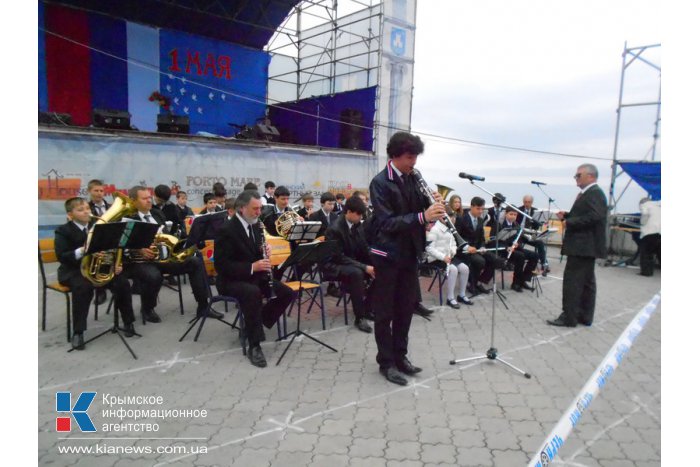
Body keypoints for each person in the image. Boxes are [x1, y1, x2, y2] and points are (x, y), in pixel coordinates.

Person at [365, 131, 445, 386]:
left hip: (410, 252)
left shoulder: (414, 177)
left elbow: (422, 209)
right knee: (385, 311)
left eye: (415, 157)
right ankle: (385, 362)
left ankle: (401, 356)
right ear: (395, 155)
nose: (414, 163)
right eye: (410, 157)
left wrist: (434, 205)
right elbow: (386, 222)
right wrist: (423, 217)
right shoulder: (380, 182)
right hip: (387, 254)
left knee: (405, 310)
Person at [214, 190, 296, 367]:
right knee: (253, 293)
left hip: (253, 276)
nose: (259, 212)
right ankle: (255, 345)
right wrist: (252, 266)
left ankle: (254, 326)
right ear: (242, 208)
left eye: (260, 208)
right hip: (231, 280)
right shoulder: (225, 230)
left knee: (287, 293)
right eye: (255, 209)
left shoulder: (255, 225)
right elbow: (222, 266)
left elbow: (252, 253)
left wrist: (263, 252)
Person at [123, 186, 214, 324]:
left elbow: (167, 236)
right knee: (154, 276)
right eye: (144, 198)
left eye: (149, 197)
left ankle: (203, 306)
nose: (149, 201)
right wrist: (139, 249)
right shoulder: (128, 218)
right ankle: (147, 309)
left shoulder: (157, 214)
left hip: (164, 258)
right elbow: (122, 246)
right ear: (133, 201)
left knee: (194, 262)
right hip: (140, 261)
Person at [55, 198, 136, 350]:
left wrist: (117, 265)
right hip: (73, 270)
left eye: (87, 208)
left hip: (100, 268)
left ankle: (128, 322)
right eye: (80, 210)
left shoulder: (99, 226)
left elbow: (113, 249)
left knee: (122, 283)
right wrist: (82, 250)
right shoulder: (63, 231)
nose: (86, 211)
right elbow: (62, 256)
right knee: (83, 288)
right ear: (70, 215)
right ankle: (78, 332)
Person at [547, 164, 608, 327]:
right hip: (586, 247)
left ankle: (569, 316)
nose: (576, 178)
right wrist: (567, 216)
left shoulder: (594, 193)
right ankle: (584, 315)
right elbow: (587, 214)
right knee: (587, 283)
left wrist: (570, 222)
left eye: (578, 175)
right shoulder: (589, 193)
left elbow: (595, 216)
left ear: (591, 176)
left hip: (583, 246)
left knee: (572, 282)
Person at [322, 195, 375, 333]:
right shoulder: (334, 229)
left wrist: (374, 261)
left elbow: (364, 247)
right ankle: (360, 317)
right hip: (333, 265)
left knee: (379, 268)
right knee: (357, 273)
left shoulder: (357, 225)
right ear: (349, 212)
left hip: (350, 261)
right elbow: (338, 257)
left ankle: (368, 309)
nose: (360, 218)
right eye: (358, 214)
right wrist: (364, 267)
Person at [425, 208, 472, 308]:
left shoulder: (451, 229)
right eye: (449, 217)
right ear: (441, 218)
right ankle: (450, 298)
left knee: (465, 268)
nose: (452, 219)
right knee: (453, 269)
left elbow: (454, 244)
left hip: (449, 257)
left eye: (453, 217)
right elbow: (429, 248)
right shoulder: (435, 229)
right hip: (436, 258)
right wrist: (443, 257)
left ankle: (462, 295)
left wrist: (453, 251)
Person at [456, 196, 501, 295]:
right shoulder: (461, 218)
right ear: (471, 206)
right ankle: (471, 284)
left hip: (477, 249)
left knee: (495, 259)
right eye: (478, 208)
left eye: (482, 209)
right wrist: (467, 247)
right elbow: (457, 237)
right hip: (465, 250)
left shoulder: (480, 220)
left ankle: (480, 282)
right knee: (480, 261)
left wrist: (482, 246)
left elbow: (482, 238)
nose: (480, 211)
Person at [499, 206, 538, 292]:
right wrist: (507, 247)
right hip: (504, 250)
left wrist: (517, 244)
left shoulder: (516, 225)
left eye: (515, 215)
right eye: (511, 214)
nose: (513, 216)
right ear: (506, 214)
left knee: (534, 255)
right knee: (521, 256)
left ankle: (523, 280)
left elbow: (520, 239)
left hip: (515, 249)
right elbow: (496, 241)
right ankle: (515, 283)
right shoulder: (500, 224)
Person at [86, 179, 111, 305]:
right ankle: (100, 290)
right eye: (96, 190)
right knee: (97, 254)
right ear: (89, 191)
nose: (99, 193)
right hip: (94, 242)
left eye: (101, 190)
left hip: (110, 241)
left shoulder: (110, 207)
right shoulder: (86, 208)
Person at [517, 195, 550, 275]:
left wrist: (538, 223)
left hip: (530, 234)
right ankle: (517, 262)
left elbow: (537, 226)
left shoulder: (536, 211)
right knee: (518, 244)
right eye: (525, 202)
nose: (527, 204)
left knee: (540, 243)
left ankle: (544, 263)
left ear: (532, 202)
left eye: (529, 202)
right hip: (519, 233)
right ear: (523, 202)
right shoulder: (518, 210)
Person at [638, 197, 661, 277]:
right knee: (660, 253)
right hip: (660, 232)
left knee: (646, 253)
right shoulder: (658, 206)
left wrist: (641, 223)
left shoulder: (645, 205)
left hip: (649, 232)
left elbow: (644, 219)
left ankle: (646, 272)